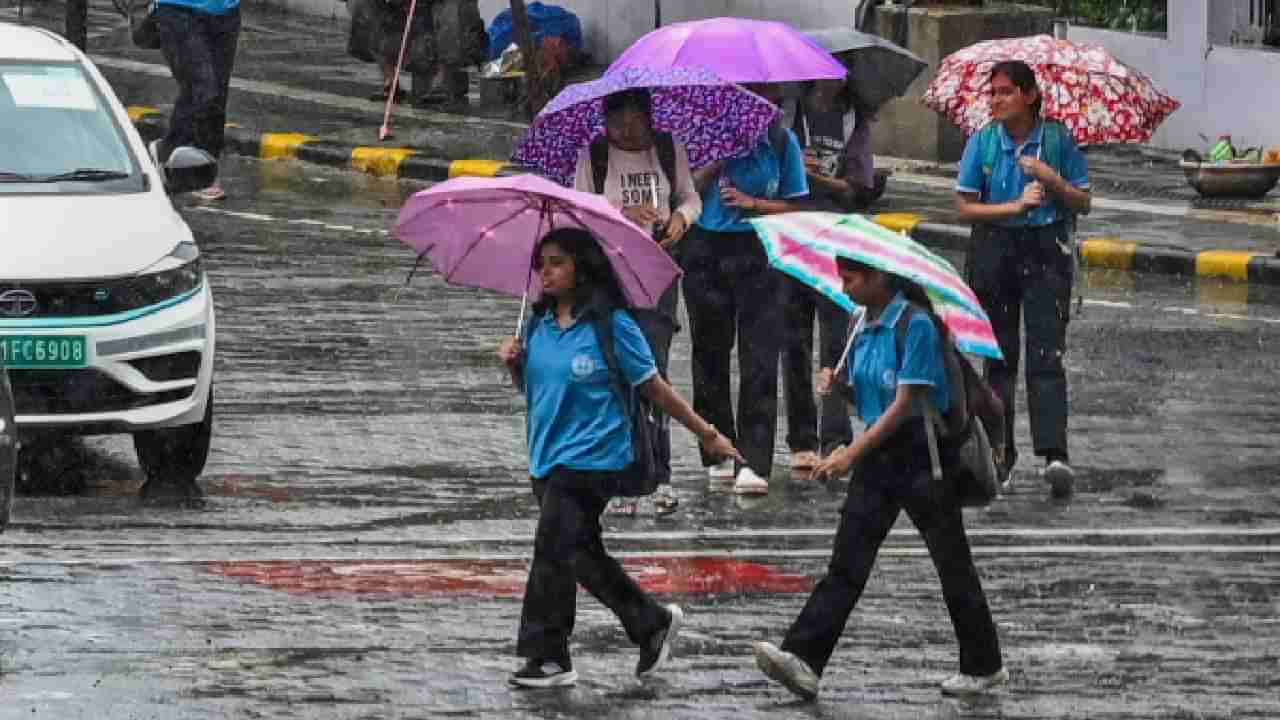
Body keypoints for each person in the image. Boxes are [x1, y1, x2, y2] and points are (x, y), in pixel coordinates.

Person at [752, 257, 1007, 701]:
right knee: (847, 563)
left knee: (952, 564)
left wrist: (848, 454)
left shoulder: (918, 325)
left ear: (879, 278)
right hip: (877, 459)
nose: (842, 285)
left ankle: (984, 664)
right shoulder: (859, 323)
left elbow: (907, 403)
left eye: (850, 277)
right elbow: (872, 394)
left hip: (922, 459)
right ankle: (805, 658)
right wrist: (839, 385)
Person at [497, 228, 742, 688]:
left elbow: (654, 387)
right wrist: (515, 366)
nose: (545, 272)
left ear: (581, 268)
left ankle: (548, 656)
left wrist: (706, 433)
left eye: (557, 263)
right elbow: (537, 394)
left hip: (595, 457)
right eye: (542, 263)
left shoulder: (614, 325)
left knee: (551, 551)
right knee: (580, 554)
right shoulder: (538, 326)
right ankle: (650, 623)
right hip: (547, 457)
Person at [954, 60, 1091, 498]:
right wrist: (1013, 206)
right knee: (999, 360)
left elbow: (1083, 202)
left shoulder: (1057, 140)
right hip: (995, 250)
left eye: (1005, 92)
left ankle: (1054, 454)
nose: (995, 100)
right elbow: (966, 207)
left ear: (1030, 95)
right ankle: (1001, 454)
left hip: (1048, 251)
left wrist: (1050, 178)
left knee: (1047, 354)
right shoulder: (983, 143)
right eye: (991, 93)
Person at [573, 88, 701, 516]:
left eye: (635, 121)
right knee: (614, 372)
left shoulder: (668, 148)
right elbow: (580, 211)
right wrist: (622, 217)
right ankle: (623, 475)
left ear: (649, 118)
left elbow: (688, 195)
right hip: (610, 278)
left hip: (658, 273)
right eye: (618, 123)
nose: (628, 131)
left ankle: (660, 474)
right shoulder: (593, 156)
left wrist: (681, 219)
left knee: (653, 370)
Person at [685, 82, 809, 496]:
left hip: (760, 250)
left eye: (768, 99)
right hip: (706, 248)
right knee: (709, 354)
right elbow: (684, 193)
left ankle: (754, 460)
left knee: (760, 356)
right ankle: (718, 449)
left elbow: (796, 205)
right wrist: (718, 158)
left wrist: (754, 204)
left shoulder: (780, 140)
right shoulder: (703, 133)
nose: (760, 106)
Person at [781, 79, 878, 473]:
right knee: (793, 342)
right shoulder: (789, 114)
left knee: (837, 342)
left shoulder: (853, 119)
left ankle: (835, 437)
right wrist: (793, 165)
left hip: (837, 240)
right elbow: (776, 177)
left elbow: (857, 189)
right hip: (793, 237)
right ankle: (801, 439)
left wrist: (817, 177)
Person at [151, 0, 241, 202]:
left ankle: (194, 164)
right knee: (203, 86)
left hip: (225, 12)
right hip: (178, 9)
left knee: (216, 93)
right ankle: (187, 171)